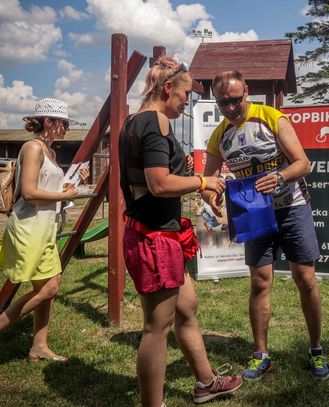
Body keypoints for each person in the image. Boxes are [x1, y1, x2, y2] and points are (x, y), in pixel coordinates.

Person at [118, 56, 242, 406]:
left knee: (186, 307)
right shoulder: (155, 121)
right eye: (185, 94)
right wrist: (202, 180)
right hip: (154, 237)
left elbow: (152, 175)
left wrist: (188, 175)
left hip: (157, 233)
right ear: (168, 88)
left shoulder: (133, 121)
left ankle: (206, 382)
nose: (187, 102)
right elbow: (158, 184)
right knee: (156, 328)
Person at [202, 71, 329, 380]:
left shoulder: (271, 118)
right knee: (260, 282)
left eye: (235, 100)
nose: (230, 108)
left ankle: (316, 350)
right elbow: (207, 180)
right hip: (255, 215)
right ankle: (261, 355)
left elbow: (303, 163)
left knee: (306, 279)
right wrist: (211, 196)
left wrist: (280, 177)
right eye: (223, 103)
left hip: (292, 207)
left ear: (247, 91)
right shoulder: (220, 135)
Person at [0, 98, 88, 361]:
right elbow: (29, 192)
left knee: (48, 287)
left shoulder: (50, 152)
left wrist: (74, 185)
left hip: (45, 227)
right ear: (48, 121)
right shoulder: (32, 148)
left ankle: (39, 346)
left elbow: (49, 190)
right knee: (49, 288)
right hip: (29, 228)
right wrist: (65, 195)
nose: (66, 129)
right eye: (63, 124)